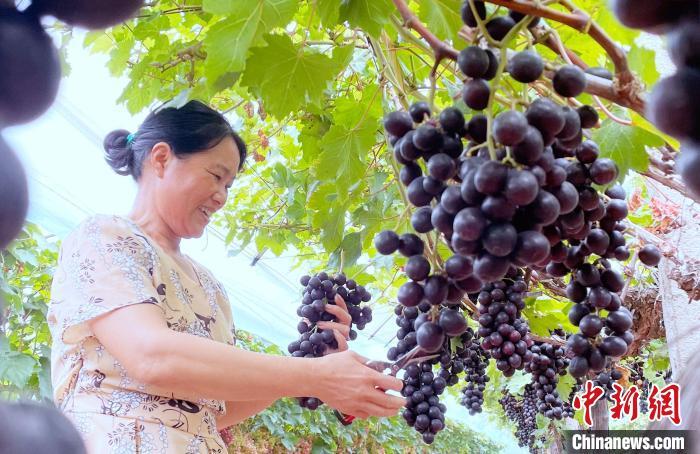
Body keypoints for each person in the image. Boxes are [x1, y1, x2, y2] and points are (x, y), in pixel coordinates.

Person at [47, 100, 405, 453]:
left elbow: (214, 412)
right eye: (216, 176)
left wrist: (309, 365)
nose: (222, 197)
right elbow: (150, 354)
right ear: (161, 159)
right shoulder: (106, 237)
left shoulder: (210, 287)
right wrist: (317, 377)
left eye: (229, 185)